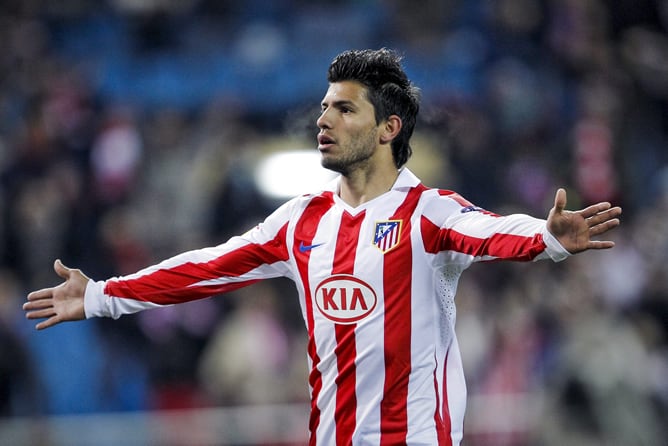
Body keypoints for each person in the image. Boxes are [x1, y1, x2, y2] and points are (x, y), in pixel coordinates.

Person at [23, 48, 622, 445]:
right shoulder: (300, 222)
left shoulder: (429, 213)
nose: (324, 118)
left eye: (344, 108)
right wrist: (101, 295)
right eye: (323, 106)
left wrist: (548, 239)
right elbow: (205, 268)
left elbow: (494, 231)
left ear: (389, 128)